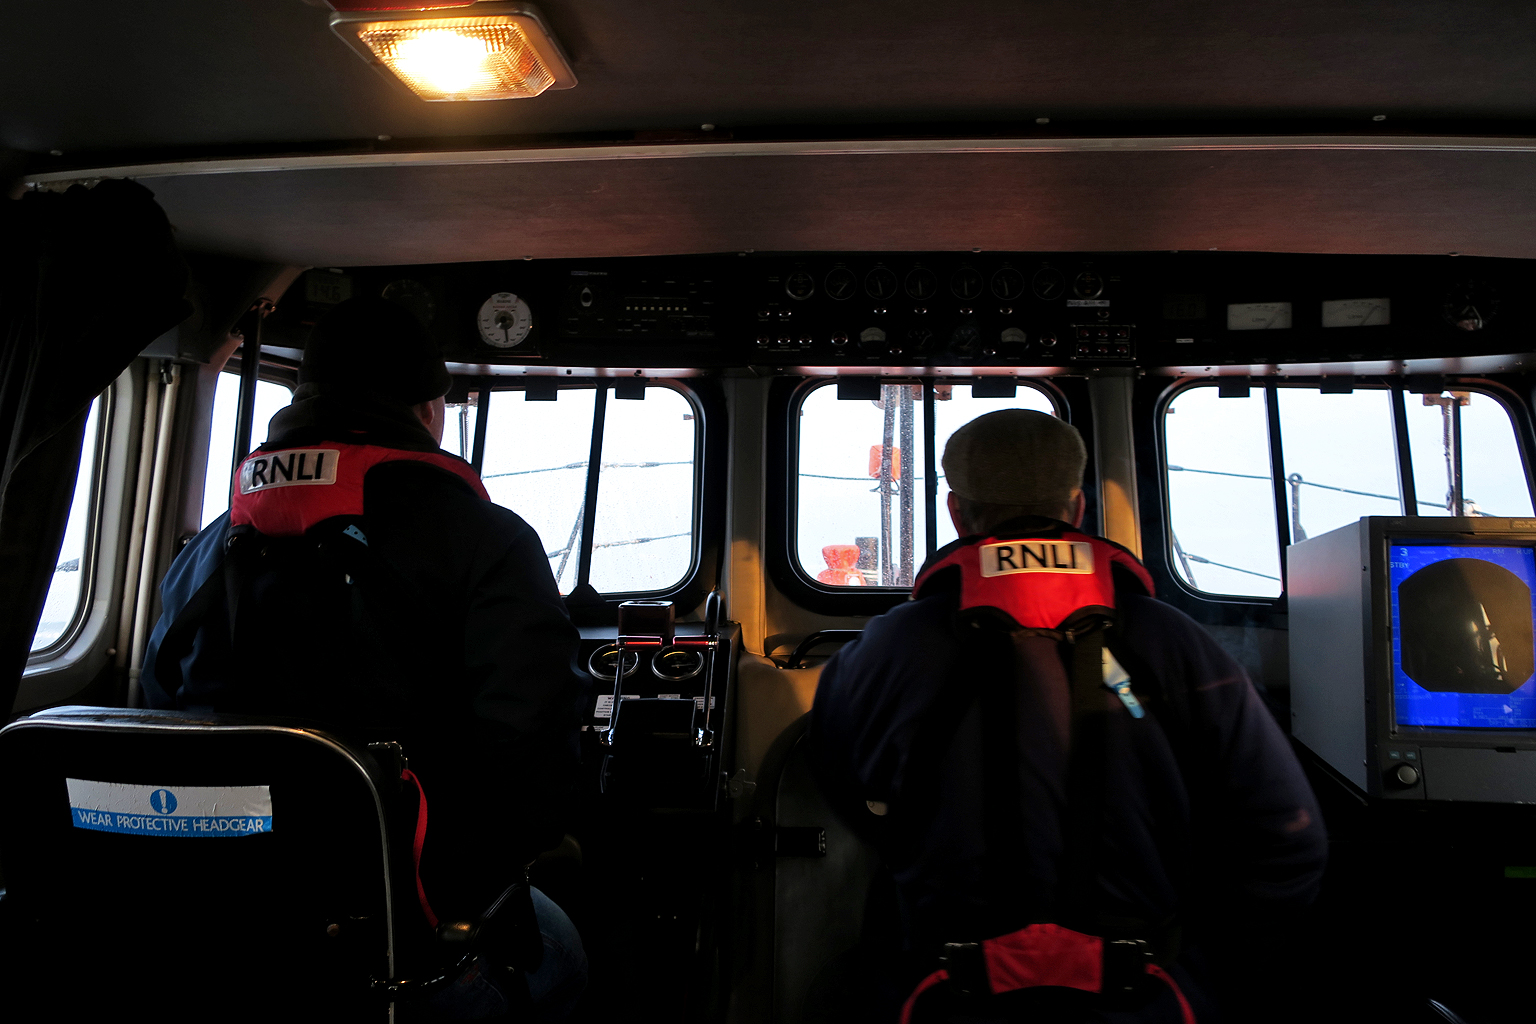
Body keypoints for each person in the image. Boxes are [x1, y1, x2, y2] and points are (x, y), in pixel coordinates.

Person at [142, 297, 589, 1019]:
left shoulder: (202, 551)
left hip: (225, 927)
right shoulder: (490, 542)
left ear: (303, 404)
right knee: (563, 952)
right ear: (430, 410)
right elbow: (533, 776)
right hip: (399, 946)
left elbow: (159, 721)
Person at [807, 409, 1328, 1023]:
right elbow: (1290, 838)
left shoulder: (879, 652)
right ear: (1077, 508)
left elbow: (845, 789)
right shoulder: (1182, 645)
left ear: (955, 512)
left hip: (943, 996)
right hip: (1146, 998)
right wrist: (1200, 980)